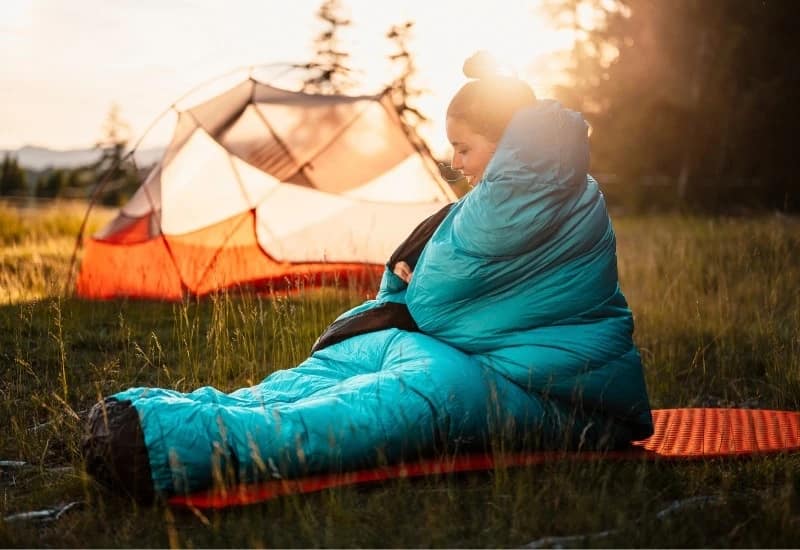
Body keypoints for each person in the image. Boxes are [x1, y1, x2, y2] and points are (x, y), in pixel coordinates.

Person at [83, 52, 654, 501]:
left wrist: (413, 276)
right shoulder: (550, 190)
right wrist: (416, 275)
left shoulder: (525, 194)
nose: (455, 162)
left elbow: (437, 300)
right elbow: (457, 288)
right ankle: (166, 416)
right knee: (339, 365)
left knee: (376, 406)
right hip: (485, 359)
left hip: (561, 396)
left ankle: (164, 441)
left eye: (465, 148)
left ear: (507, 143)